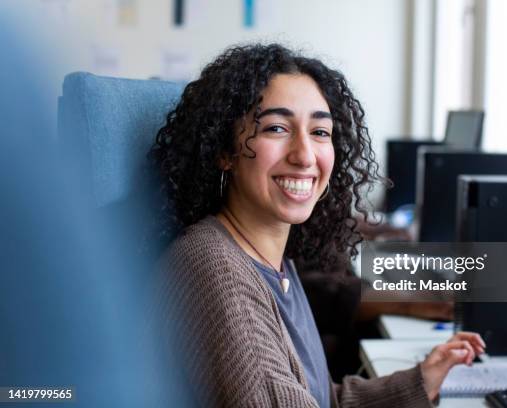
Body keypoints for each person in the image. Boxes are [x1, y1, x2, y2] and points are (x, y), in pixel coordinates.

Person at [150, 43, 485, 407]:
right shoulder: (217, 273)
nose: (305, 155)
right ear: (224, 151)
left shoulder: (274, 266)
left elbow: (323, 400)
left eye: (320, 132)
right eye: (277, 128)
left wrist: (420, 381)